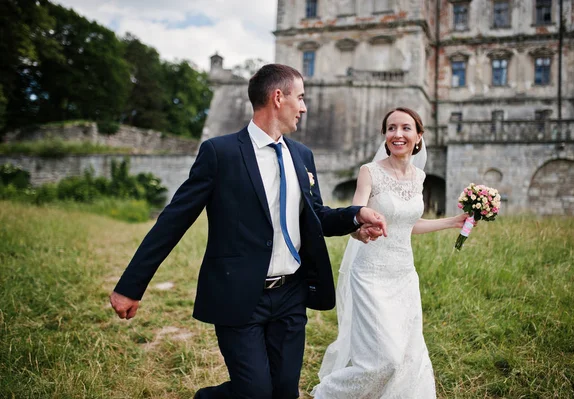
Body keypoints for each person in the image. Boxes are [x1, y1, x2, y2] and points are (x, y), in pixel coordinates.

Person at [109, 64, 388, 399]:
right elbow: (174, 220)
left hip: (291, 294)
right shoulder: (220, 153)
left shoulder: (302, 156)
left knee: (284, 392)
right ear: (278, 97)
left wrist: (356, 216)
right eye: (300, 98)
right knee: (254, 393)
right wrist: (131, 286)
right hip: (239, 295)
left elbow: (317, 217)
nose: (304, 107)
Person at [311, 107, 469, 398]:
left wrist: (452, 222)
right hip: (370, 273)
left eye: (406, 128)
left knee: (408, 356)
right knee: (385, 360)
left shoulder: (419, 177)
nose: (398, 134)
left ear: (419, 136)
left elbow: (408, 224)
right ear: (384, 135)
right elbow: (354, 216)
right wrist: (360, 229)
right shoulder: (369, 172)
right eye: (392, 128)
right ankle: (327, 394)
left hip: (404, 276)